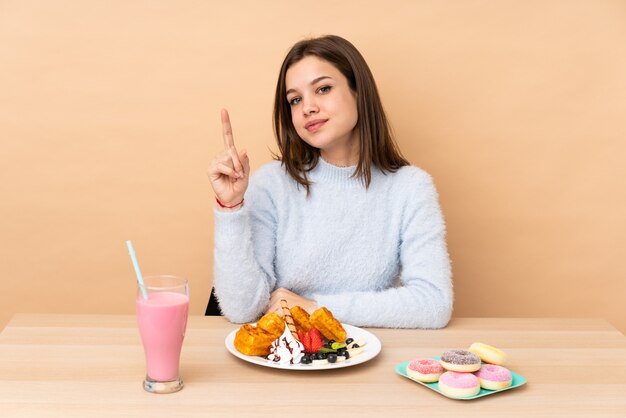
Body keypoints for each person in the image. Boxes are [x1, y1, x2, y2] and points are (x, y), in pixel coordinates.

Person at [208, 35, 452, 328]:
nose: (307, 107)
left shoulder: (411, 189)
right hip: (283, 363)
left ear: (359, 92)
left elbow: (433, 304)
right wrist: (231, 208)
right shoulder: (270, 184)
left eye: (323, 89)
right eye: (295, 100)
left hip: (364, 360)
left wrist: (315, 308)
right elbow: (242, 310)